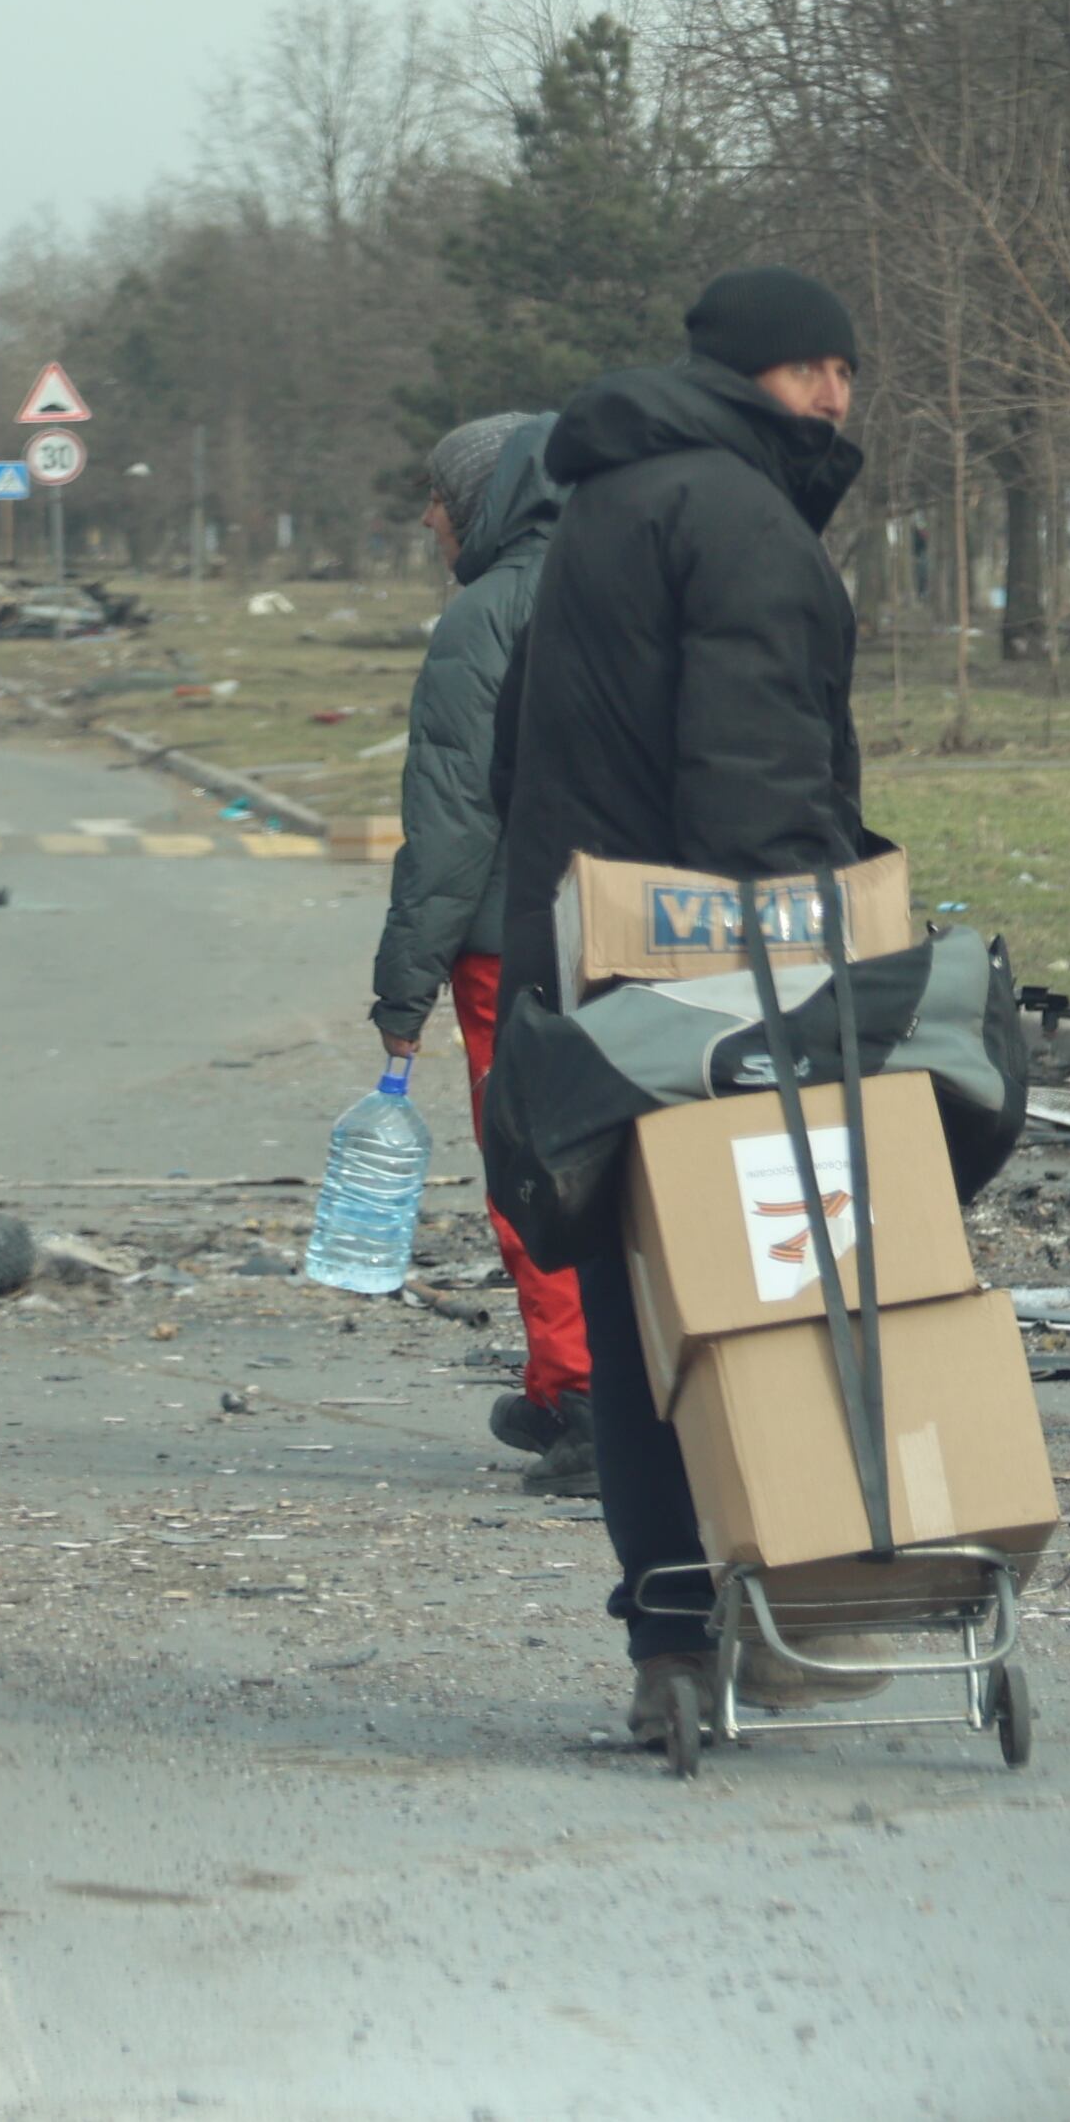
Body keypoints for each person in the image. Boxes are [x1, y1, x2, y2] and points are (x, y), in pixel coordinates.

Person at [492, 267, 874, 1741]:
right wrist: (814, 972)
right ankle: (800, 1601)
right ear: (743, 375)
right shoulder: (738, 519)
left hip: (590, 984)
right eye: (811, 370)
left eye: (847, 368)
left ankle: (668, 1635)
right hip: (718, 992)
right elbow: (759, 779)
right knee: (773, 1301)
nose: (837, 395)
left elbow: (520, 746)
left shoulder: (599, 507)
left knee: (640, 1312)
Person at [369, 410, 588, 1490]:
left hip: (516, 945)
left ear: (490, 505)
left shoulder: (486, 616)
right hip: (647, 930)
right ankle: (595, 1390)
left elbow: (453, 825)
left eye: (443, 498)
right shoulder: (634, 585)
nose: (430, 516)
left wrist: (401, 987)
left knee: (534, 1171)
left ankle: (582, 1397)